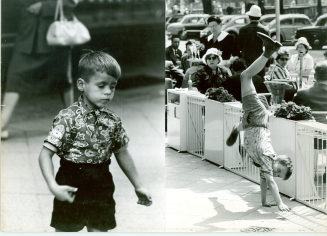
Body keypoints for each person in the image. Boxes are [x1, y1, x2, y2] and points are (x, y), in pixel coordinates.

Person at [38, 51, 152, 232]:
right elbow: (45, 154)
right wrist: (53, 185)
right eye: (101, 86)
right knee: (66, 230)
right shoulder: (67, 118)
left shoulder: (113, 120)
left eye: (112, 86)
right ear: (82, 85)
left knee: (99, 229)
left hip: (101, 182)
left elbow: (122, 152)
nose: (108, 92)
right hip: (71, 180)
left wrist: (139, 186)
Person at [226, 32, 293, 211]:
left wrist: (264, 202)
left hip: (254, 121)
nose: (275, 173)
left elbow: (264, 181)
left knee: (246, 77)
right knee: (245, 76)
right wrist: (280, 203)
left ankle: (237, 128)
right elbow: (271, 181)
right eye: (279, 169)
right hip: (256, 118)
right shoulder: (268, 158)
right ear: (280, 160)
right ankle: (269, 51)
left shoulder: (266, 165)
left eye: (278, 174)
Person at [1, 0, 79, 139]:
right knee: (15, 75)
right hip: (29, 33)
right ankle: (2, 123)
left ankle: (73, 122)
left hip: (55, 33)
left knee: (62, 78)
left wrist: (44, 6)